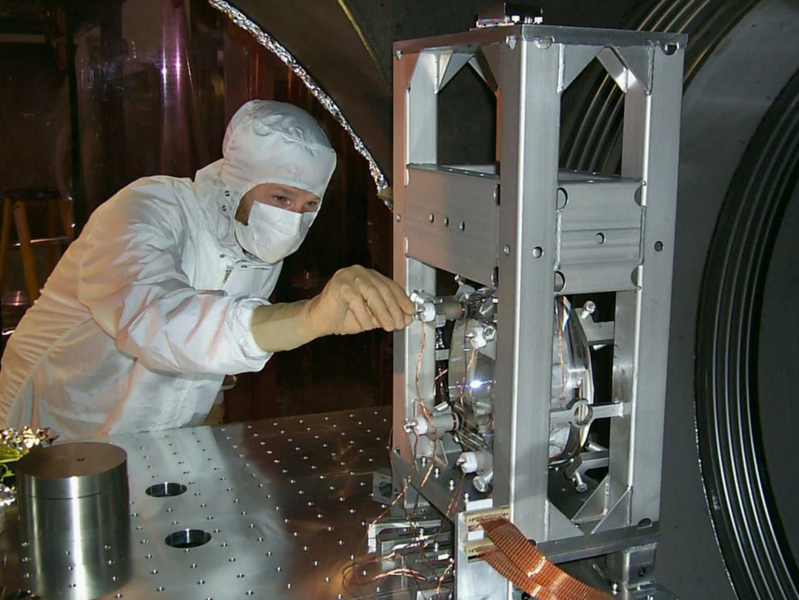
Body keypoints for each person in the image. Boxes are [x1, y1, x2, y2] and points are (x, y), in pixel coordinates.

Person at [0, 100, 414, 439]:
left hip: (151, 441)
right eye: (282, 197)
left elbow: (209, 353)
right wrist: (308, 317)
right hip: (50, 429)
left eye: (309, 205)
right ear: (237, 183)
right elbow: (155, 322)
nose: (293, 219)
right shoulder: (147, 209)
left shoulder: (254, 243)